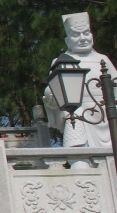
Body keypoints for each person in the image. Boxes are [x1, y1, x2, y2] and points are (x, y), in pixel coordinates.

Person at [43, 11, 116, 151]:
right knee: (78, 158)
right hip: (78, 115)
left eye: (86, 33)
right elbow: (52, 92)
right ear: (67, 40)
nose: (83, 38)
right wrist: (50, 96)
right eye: (76, 35)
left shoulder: (103, 59)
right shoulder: (61, 62)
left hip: (109, 115)